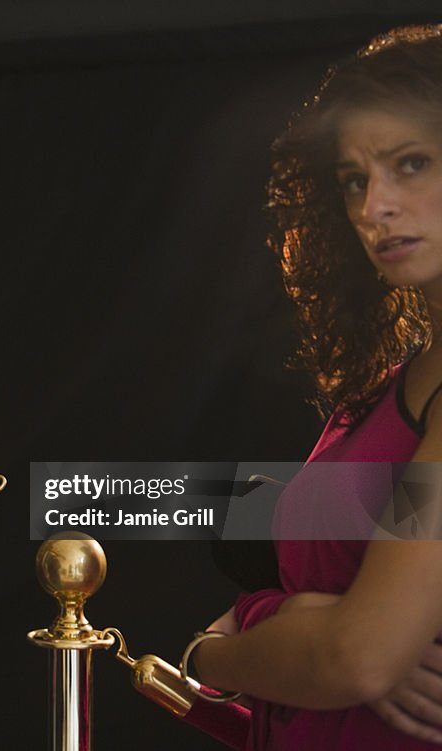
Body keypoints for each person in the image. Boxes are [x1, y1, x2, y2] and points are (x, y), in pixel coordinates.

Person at [183, 25, 442, 750]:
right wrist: (289, 620)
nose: (374, 207)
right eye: (355, 179)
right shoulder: (397, 379)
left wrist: (215, 652)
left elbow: (357, 656)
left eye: (411, 164)